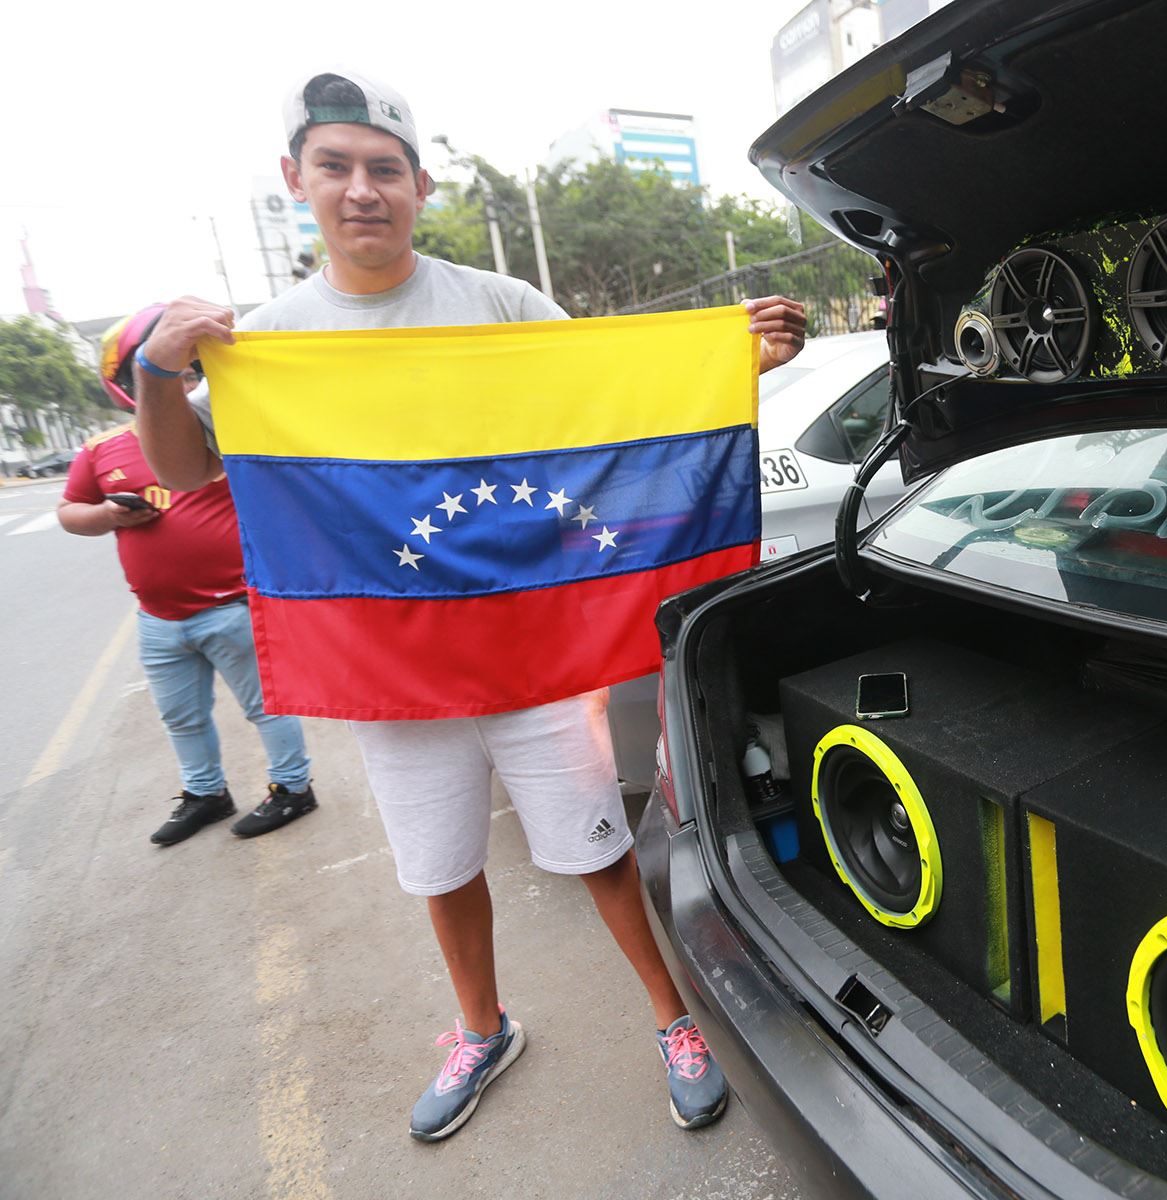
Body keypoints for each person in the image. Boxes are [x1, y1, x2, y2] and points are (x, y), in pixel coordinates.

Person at [135, 69, 809, 1140]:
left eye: (385, 169)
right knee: (442, 872)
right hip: (391, 671)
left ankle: (670, 1019)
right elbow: (184, 473)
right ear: (295, 180)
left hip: (529, 656)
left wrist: (733, 363)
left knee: (592, 850)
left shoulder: (495, 302)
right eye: (337, 167)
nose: (363, 189)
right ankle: (482, 1027)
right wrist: (158, 375)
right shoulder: (266, 340)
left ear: (419, 184)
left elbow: (608, 402)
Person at [60, 306, 317, 845]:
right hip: (157, 618)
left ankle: (293, 788)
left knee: (266, 709)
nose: (181, 375)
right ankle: (205, 794)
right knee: (181, 718)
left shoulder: (224, 428)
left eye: (189, 366)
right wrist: (108, 514)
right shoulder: (100, 450)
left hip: (232, 605)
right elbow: (70, 512)